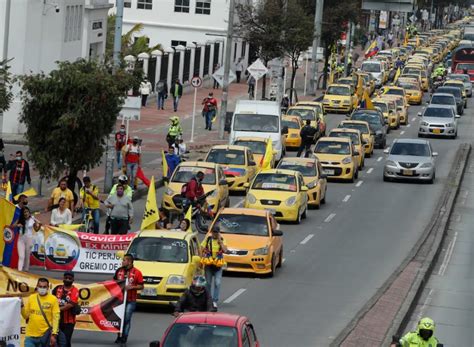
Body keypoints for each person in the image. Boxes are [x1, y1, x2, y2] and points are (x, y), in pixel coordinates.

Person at [113, 254, 144, 345]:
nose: (122, 262)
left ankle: (124, 338)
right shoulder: (119, 271)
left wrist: (132, 287)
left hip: (131, 300)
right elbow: (113, 283)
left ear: (129, 262)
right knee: (118, 318)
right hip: (119, 300)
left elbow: (141, 286)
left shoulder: (137, 272)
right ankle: (118, 336)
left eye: (124, 260)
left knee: (126, 319)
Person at [22, 278, 61, 347]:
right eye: (40, 286)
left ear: (48, 287)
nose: (42, 288)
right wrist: (21, 307)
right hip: (30, 336)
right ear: (37, 286)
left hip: (44, 336)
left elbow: (56, 318)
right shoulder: (31, 298)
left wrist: (54, 334)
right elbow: (25, 316)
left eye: (44, 287)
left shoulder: (53, 299)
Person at [201, 225, 227, 311]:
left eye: (217, 232)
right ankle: (208, 300)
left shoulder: (222, 240)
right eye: (214, 232)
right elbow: (201, 247)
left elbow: (225, 250)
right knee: (208, 283)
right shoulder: (208, 239)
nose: (215, 234)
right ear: (211, 232)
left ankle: (215, 300)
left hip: (218, 265)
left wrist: (220, 241)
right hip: (209, 264)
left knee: (217, 283)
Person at [52, 271, 79, 347]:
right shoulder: (57, 289)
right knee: (55, 340)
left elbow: (70, 305)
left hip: (69, 322)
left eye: (69, 278)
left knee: (66, 341)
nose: (67, 279)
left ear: (73, 279)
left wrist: (57, 309)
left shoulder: (75, 291)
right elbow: (51, 300)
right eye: (66, 277)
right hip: (56, 320)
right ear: (63, 278)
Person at [16, 207, 41, 272]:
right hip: (21, 239)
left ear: (29, 212)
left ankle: (26, 271)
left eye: (27, 212)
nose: (26, 213)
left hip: (29, 239)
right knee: (21, 256)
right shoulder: (20, 219)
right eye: (25, 212)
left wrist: (39, 225)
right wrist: (17, 225)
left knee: (27, 256)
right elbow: (13, 225)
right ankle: (19, 271)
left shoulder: (32, 219)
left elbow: (36, 229)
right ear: (22, 213)